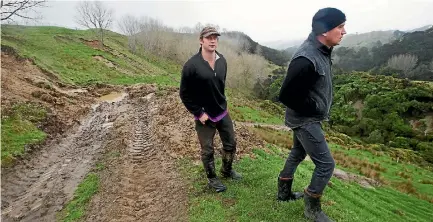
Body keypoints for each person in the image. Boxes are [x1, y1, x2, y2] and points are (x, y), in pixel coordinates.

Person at [277, 7, 346, 222]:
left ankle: (284, 193)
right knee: (326, 165)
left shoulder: (322, 49)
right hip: (305, 120)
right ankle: (312, 208)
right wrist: (315, 109)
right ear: (324, 30)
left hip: (304, 118)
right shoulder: (306, 59)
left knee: (297, 153)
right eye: (340, 26)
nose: (344, 31)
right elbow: (286, 95)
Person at [179, 26, 242, 193]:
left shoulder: (222, 61)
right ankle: (212, 178)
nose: (213, 40)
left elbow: (220, 86)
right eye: (209, 37)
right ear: (201, 41)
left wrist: (222, 104)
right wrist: (199, 113)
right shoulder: (191, 65)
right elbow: (184, 94)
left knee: (231, 143)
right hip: (204, 116)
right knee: (207, 149)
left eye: (215, 37)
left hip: (222, 111)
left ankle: (226, 171)